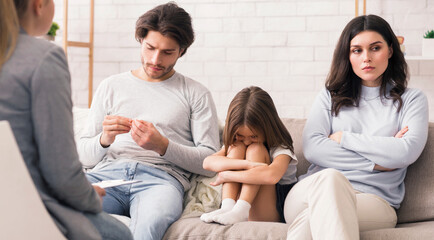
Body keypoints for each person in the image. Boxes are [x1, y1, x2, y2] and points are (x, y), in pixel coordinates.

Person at [78, 2, 220, 239]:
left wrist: (163, 146)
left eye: (167, 52)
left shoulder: (196, 93)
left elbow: (209, 160)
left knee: (150, 225)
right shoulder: (111, 86)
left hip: (160, 182)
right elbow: (84, 157)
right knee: (57, 208)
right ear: (140, 41)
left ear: (182, 51)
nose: (155, 59)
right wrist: (104, 139)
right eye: (150, 48)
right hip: (107, 175)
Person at [283, 14, 429, 240]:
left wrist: (344, 138)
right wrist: (377, 164)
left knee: (310, 224)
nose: (366, 58)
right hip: (308, 193)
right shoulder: (329, 97)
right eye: (357, 50)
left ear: (390, 50)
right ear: (348, 55)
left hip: (373, 201)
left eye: (375, 48)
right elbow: (313, 148)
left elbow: (406, 151)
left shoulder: (412, 100)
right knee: (331, 179)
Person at [0, 0, 133, 240]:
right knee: (121, 234)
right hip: (27, 208)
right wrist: (89, 196)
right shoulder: (43, 58)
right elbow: (60, 171)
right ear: (38, 4)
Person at [200, 86, 298, 225]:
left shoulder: (281, 146)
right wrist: (247, 164)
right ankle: (228, 207)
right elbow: (208, 163)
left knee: (256, 149)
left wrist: (227, 175)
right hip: (235, 208)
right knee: (235, 147)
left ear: (267, 128)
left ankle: (241, 210)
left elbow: (271, 176)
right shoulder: (237, 143)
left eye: (253, 136)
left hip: (271, 210)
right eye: (240, 135)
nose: (246, 141)